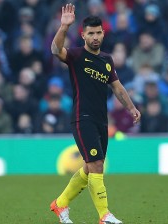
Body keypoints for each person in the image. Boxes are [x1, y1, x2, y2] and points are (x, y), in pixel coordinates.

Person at [50, 4, 140, 224]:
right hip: (83, 118)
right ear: (83, 36)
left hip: (101, 120)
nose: (95, 36)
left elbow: (117, 87)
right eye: (91, 33)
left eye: (98, 32)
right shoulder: (75, 55)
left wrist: (131, 108)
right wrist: (63, 27)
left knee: (90, 169)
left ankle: (60, 204)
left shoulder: (107, 61)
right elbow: (55, 50)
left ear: (103, 33)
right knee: (97, 164)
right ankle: (104, 215)